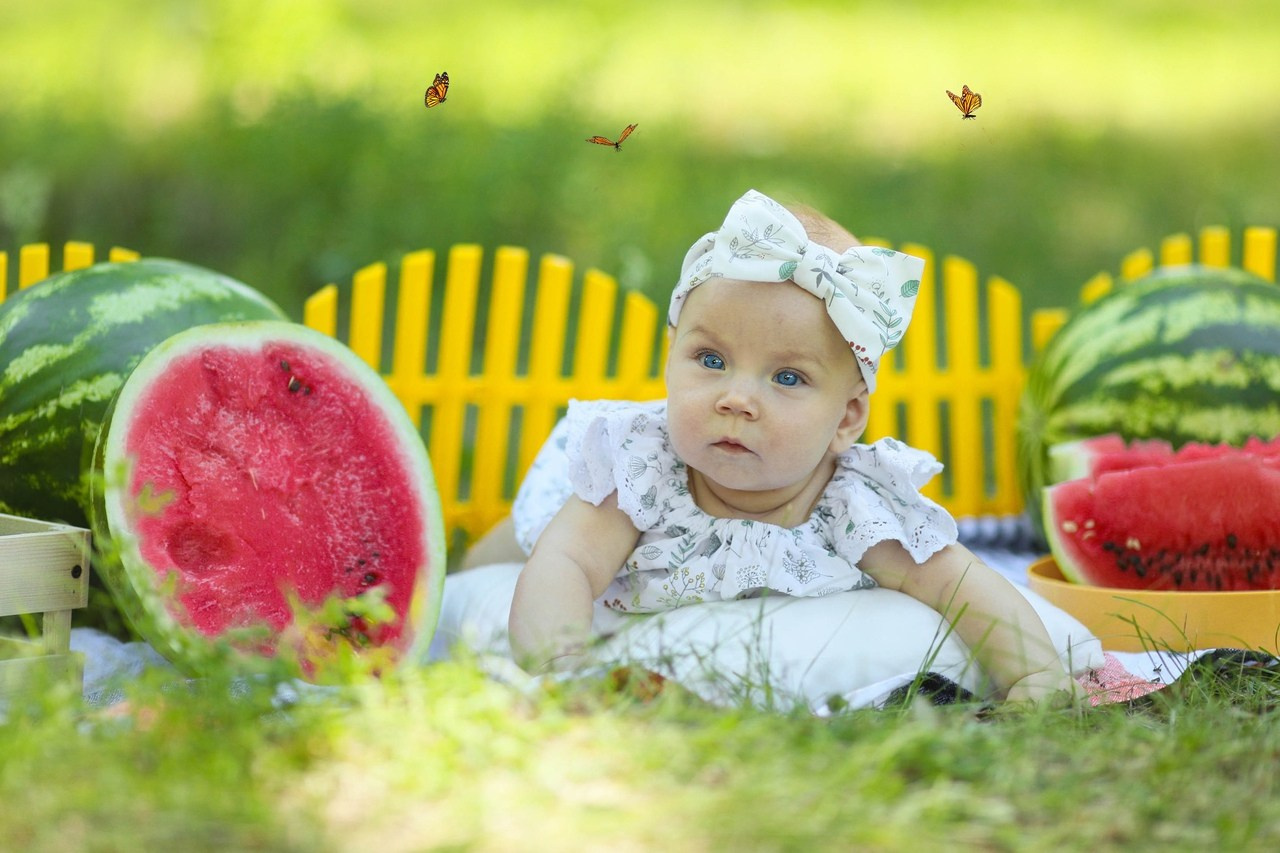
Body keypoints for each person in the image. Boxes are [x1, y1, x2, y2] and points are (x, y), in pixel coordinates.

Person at [492, 188, 1080, 706]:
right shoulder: (642, 469)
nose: (736, 399)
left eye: (788, 378)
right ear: (670, 357)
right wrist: (559, 673)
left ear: (847, 417)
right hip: (564, 514)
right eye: (711, 361)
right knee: (521, 540)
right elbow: (566, 560)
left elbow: (961, 584)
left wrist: (1034, 673)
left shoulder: (853, 506)